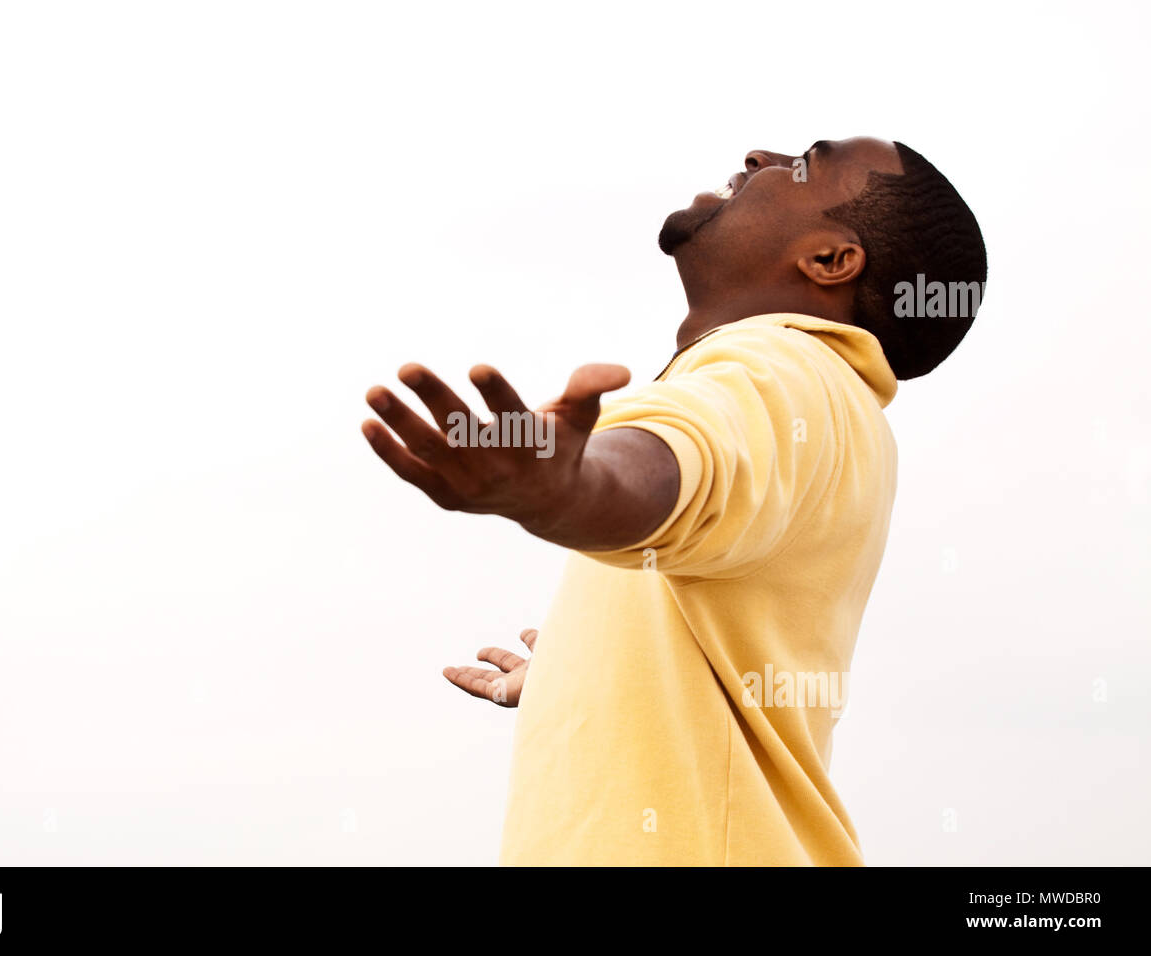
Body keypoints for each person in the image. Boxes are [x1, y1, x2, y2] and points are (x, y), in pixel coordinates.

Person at [361, 137, 986, 865]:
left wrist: (569, 489)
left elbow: (675, 469)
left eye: (808, 160)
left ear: (829, 261)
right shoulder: (829, 404)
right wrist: (595, 678)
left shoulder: (787, 367)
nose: (761, 154)